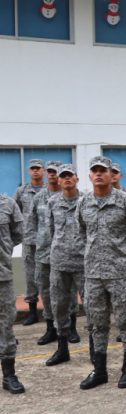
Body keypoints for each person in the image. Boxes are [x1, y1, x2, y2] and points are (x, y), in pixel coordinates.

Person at [77, 156, 126, 390]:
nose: (98, 174)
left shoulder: (125, 201)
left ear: (111, 174)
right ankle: (100, 371)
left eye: (103, 170)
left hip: (120, 273)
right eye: (94, 170)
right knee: (97, 323)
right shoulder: (84, 203)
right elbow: (81, 233)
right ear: (89, 175)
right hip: (94, 274)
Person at [45, 164, 89, 367]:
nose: (67, 179)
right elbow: (50, 231)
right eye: (63, 176)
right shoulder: (52, 202)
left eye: (70, 175)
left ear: (77, 179)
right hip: (60, 262)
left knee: (91, 306)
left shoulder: (87, 201)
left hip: (84, 263)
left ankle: (94, 350)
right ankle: (62, 349)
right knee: (59, 306)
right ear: (58, 181)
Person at [27, 161, 63, 345]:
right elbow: (30, 224)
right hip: (42, 254)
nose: (52, 174)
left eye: (56, 172)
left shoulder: (73, 197)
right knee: (46, 292)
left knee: (67, 292)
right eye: (50, 171)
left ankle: (69, 327)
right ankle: (50, 328)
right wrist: (36, 244)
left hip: (66, 255)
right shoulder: (39, 198)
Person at [14, 159, 46, 326]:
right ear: (28, 171)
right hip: (28, 242)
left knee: (50, 278)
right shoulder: (21, 191)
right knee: (30, 277)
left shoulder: (50, 190)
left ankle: (52, 312)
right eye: (32, 168)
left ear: (44, 171)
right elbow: (16, 215)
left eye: (38, 168)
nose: (35, 171)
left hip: (48, 242)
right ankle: (33, 312)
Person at [0, 191, 26, 394]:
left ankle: (9, 376)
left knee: (5, 325)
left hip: (2, 275)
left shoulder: (7, 204)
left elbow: (18, 234)